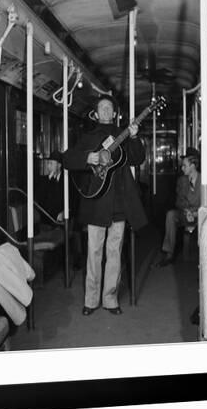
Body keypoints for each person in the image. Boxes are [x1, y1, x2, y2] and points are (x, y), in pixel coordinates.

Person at [63, 95, 147, 315]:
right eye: (102, 108)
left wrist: (136, 137)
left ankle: (110, 299)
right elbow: (68, 159)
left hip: (119, 203)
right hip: (96, 203)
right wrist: (87, 158)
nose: (106, 111)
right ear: (96, 113)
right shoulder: (88, 137)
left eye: (110, 107)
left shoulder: (124, 135)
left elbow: (138, 159)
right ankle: (91, 300)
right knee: (94, 252)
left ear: (114, 112)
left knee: (114, 253)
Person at [156, 147, 201, 267]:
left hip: (200, 213)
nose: (182, 168)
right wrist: (187, 211)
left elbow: (206, 202)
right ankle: (169, 254)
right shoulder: (182, 180)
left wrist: (195, 213)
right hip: (185, 213)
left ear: (193, 166)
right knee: (171, 215)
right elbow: (179, 201)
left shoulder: (204, 180)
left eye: (184, 165)